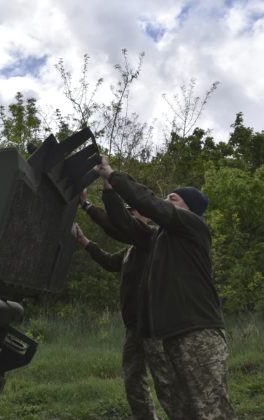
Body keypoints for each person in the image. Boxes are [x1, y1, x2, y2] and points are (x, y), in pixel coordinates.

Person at [94, 155, 236, 420]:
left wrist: (113, 173)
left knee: (211, 411)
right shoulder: (157, 237)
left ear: (189, 209)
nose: (165, 201)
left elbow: (149, 203)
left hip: (198, 333)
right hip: (170, 336)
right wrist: (108, 186)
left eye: (173, 198)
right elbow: (123, 223)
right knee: (180, 410)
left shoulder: (193, 226)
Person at [75, 187, 163, 420]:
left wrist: (88, 206)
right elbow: (110, 262)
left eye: (133, 211)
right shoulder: (131, 251)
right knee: (133, 379)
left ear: (146, 216)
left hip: (154, 325)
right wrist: (84, 241)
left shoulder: (153, 238)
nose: (129, 215)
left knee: (166, 380)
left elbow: (116, 225)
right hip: (134, 327)